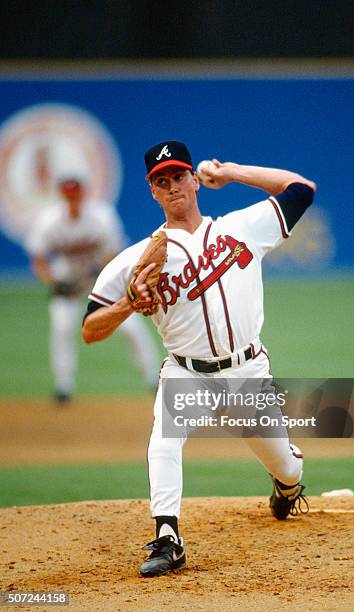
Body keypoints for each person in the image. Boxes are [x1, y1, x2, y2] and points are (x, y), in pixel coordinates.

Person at [82, 141, 317, 577]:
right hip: (186, 374)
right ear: (152, 191)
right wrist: (128, 305)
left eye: (178, 176)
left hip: (248, 371)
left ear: (194, 180)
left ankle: (286, 486)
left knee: (285, 467)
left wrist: (232, 171)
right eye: (161, 181)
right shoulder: (134, 259)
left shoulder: (241, 227)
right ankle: (168, 538)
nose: (171, 186)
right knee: (163, 442)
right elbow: (90, 329)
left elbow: (301, 189)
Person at [26, 177, 159, 403]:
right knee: (62, 328)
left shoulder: (102, 216)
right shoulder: (49, 221)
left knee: (131, 328)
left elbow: (114, 253)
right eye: (68, 196)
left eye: (75, 195)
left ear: (83, 195)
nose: (72, 200)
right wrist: (54, 282)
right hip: (67, 284)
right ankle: (63, 386)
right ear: (63, 197)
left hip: (100, 282)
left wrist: (98, 273)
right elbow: (39, 260)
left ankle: (154, 379)